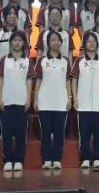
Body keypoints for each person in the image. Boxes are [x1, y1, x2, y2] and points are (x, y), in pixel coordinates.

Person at [30, 30, 70, 170]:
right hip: (45, 101)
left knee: (59, 131)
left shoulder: (65, 61)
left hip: (61, 101)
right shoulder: (42, 60)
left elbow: (68, 81)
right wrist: (35, 99)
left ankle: (57, 158)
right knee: (46, 131)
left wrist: (70, 98)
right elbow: (38, 80)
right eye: (53, 40)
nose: (55, 42)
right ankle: (47, 159)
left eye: (58, 40)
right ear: (48, 43)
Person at [72, 31, 99, 169]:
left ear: (97, 44)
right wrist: (74, 98)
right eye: (88, 41)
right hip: (83, 104)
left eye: (94, 41)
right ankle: (85, 158)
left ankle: (97, 158)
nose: (91, 43)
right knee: (84, 133)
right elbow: (74, 80)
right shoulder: (79, 61)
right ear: (84, 44)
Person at [0, 30, 31, 173]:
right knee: (6, 134)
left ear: (24, 43)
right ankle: (7, 160)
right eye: (15, 40)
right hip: (7, 101)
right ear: (11, 42)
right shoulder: (4, 60)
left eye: (20, 40)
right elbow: (0, 79)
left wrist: (28, 99)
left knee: (21, 134)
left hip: (22, 102)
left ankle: (18, 160)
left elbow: (29, 81)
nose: (17, 43)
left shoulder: (27, 60)